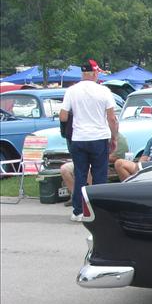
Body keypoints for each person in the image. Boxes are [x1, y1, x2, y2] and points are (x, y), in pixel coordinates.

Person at [60, 58, 118, 222]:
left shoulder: (72, 90)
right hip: (99, 136)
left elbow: (63, 116)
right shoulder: (104, 91)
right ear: (94, 73)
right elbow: (111, 118)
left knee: (80, 174)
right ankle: (98, 212)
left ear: (83, 73)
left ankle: (78, 211)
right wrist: (114, 137)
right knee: (99, 175)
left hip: (79, 137)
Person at [60, 132, 129, 205]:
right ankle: (76, 197)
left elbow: (118, 157)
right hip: (86, 159)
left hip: (107, 165)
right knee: (65, 168)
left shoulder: (118, 138)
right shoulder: (88, 134)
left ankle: (92, 197)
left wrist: (99, 156)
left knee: (91, 170)